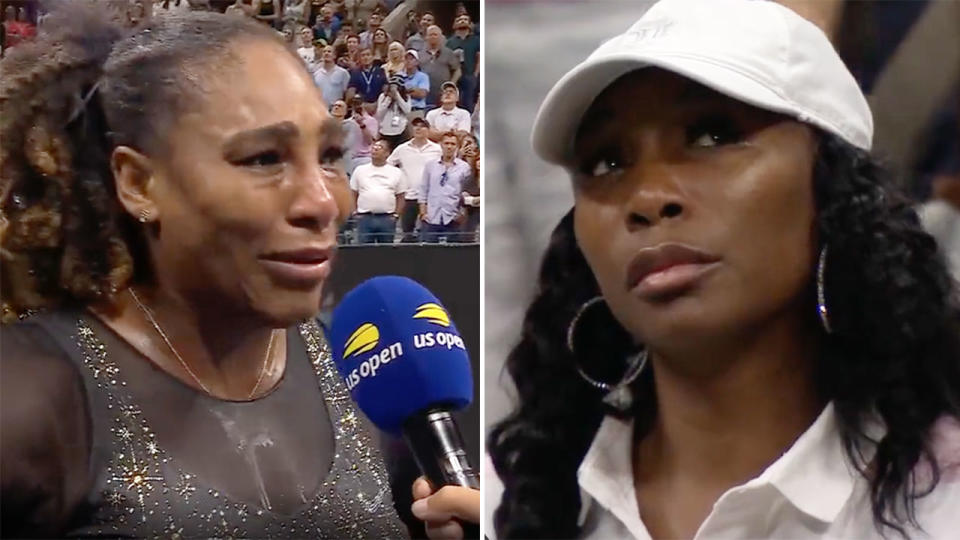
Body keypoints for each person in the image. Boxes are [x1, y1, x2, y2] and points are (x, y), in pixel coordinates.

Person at [486, 0, 960, 539]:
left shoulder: (944, 505)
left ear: (834, 189)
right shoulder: (516, 498)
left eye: (712, 134)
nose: (647, 197)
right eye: (606, 161)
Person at [0, 3, 411, 537]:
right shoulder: (29, 396)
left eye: (330, 155)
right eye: (264, 158)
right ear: (139, 184)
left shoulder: (365, 374)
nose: (322, 202)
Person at [388, 117, 442, 243]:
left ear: (428, 130)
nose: (418, 128)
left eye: (422, 126)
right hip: (409, 196)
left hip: (430, 197)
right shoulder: (402, 149)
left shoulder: (437, 149)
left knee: (427, 233)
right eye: (415, 125)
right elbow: (388, 165)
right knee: (407, 233)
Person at [419, 132, 471, 243]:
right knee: (429, 252)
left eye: (453, 144)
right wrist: (423, 213)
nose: (449, 146)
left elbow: (466, 192)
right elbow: (424, 189)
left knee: (452, 255)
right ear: (441, 144)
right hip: (432, 217)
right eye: (446, 143)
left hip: (453, 217)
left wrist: (462, 213)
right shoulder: (430, 165)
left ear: (457, 146)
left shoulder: (464, 167)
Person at [350, 140, 405, 244]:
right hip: (365, 217)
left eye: (380, 147)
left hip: (386, 218)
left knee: (385, 251)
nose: (375, 149)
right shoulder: (360, 170)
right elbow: (353, 193)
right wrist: (354, 212)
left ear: (387, 153)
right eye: (374, 147)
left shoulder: (396, 172)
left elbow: (401, 196)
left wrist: (396, 215)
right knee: (364, 251)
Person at [420, 25, 460, 109]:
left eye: (435, 34)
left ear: (441, 37)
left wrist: (451, 84)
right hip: (425, 93)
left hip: (443, 92)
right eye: (430, 35)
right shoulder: (420, 54)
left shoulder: (448, 53)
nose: (433, 37)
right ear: (426, 37)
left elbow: (458, 70)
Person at [445, 13, 479, 113]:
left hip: (470, 74)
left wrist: (475, 74)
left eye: (465, 19)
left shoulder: (476, 40)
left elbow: (479, 58)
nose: (462, 21)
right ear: (455, 25)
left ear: (470, 24)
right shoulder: (450, 42)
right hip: (454, 76)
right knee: (455, 100)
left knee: (469, 101)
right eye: (460, 20)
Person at [343, 96, 379, 172]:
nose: (357, 106)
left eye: (359, 103)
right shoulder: (347, 122)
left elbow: (369, 141)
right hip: (350, 157)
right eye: (355, 103)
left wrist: (361, 124)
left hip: (364, 157)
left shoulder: (372, 121)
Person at [376, 75, 412, 149]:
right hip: (385, 130)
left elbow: (407, 110)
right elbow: (379, 113)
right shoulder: (383, 96)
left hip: (400, 130)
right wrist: (388, 99)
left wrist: (397, 96)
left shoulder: (406, 97)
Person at [346, 47, 387, 113]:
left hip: (378, 107)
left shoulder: (380, 71)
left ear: (373, 57)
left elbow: (385, 91)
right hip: (361, 108)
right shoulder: (355, 73)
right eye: (363, 55)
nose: (366, 57)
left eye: (368, 55)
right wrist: (362, 105)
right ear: (359, 58)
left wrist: (376, 104)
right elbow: (351, 92)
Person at [458, 134, 480, 241]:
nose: (468, 147)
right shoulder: (457, 164)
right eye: (465, 144)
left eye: (470, 143)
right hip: (466, 213)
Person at [403, 49, 430, 119]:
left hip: (416, 111)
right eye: (406, 59)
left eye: (411, 59)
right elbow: (393, 93)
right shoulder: (399, 75)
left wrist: (403, 91)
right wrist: (412, 90)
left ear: (417, 62)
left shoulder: (423, 76)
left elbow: (422, 94)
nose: (408, 61)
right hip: (400, 112)